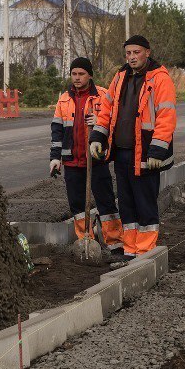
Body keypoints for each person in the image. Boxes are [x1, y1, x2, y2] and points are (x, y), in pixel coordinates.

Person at [90, 35, 176, 260]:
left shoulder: (160, 78)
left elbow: (166, 116)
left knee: (144, 202)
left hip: (146, 153)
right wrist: (98, 136)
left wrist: (158, 150)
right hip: (122, 152)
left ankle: (146, 251)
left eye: (136, 52)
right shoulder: (120, 77)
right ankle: (130, 249)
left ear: (147, 52)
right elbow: (106, 109)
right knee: (126, 203)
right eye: (128, 53)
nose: (132, 57)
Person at [50, 57, 123, 247]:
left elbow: (114, 122)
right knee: (78, 207)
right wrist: (55, 158)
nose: (77, 78)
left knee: (106, 203)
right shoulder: (64, 99)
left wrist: (99, 121)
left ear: (89, 75)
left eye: (81, 74)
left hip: (96, 160)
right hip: (72, 162)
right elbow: (57, 131)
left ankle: (114, 243)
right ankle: (86, 242)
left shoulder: (103, 96)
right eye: (74, 74)